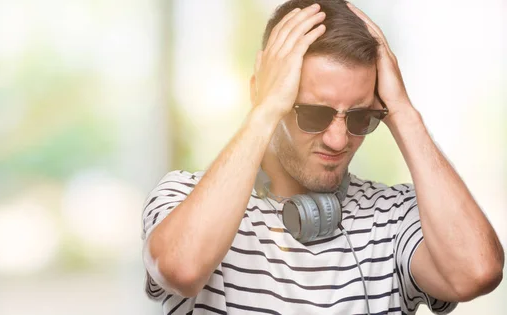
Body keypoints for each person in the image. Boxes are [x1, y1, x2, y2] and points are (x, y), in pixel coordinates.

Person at [140, 0, 504, 314]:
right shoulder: (183, 194)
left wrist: (404, 111)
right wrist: (264, 110)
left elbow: (477, 272)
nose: (338, 139)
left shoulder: (396, 215)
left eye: (361, 117)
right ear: (264, 96)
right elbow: (181, 267)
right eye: (314, 114)